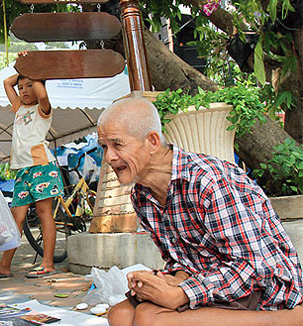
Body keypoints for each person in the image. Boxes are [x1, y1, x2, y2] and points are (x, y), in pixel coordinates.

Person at [97, 97, 303, 326]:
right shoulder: (141, 196)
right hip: (211, 280)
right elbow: (180, 261)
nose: (109, 157)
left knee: (151, 321)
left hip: (263, 288)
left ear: (153, 141)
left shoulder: (206, 180)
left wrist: (182, 293)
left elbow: (253, 267)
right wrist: (168, 282)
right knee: (120, 316)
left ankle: (287, 320)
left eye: (118, 145)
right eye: (104, 147)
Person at [0, 57, 63, 280]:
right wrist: (24, 68)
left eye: (29, 86)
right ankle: (4, 265)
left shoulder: (42, 108)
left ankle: (47, 263)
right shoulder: (18, 109)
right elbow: (7, 83)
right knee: (16, 217)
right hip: (22, 170)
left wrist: (34, 71)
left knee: (45, 213)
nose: (24, 90)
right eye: (22, 87)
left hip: (41, 166)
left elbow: (43, 94)